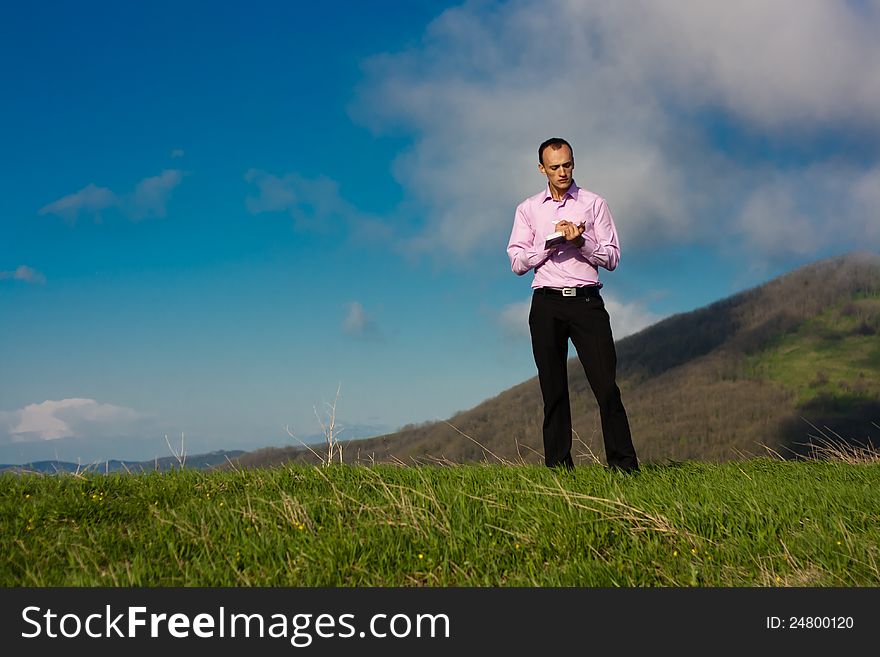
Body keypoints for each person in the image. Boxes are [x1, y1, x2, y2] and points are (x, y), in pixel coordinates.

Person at [507, 137, 639, 473]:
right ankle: (559, 470)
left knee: (606, 387)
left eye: (567, 164)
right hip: (546, 304)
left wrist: (580, 241)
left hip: (586, 303)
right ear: (542, 169)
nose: (563, 172)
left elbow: (612, 257)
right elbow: (518, 262)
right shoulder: (528, 209)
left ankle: (624, 468)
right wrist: (551, 243)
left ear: (574, 163)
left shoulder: (594, 204)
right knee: (553, 390)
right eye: (555, 167)